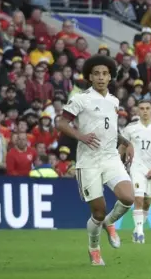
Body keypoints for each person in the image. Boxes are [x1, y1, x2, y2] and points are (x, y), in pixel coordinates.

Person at [57, 55, 136, 266]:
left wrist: (125, 142)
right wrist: (81, 136)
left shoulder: (113, 101)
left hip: (110, 157)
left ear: (110, 77)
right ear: (90, 77)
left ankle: (110, 224)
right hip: (89, 161)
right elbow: (62, 123)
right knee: (98, 212)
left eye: (104, 74)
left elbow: (109, 128)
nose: (101, 77)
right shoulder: (80, 99)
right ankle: (94, 248)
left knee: (128, 197)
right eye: (96, 74)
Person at [120, 99, 151, 244]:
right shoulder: (130, 128)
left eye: (147, 108)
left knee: (147, 201)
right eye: (142, 108)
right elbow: (122, 147)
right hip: (136, 167)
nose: (145, 111)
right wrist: (118, 162)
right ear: (137, 111)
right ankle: (140, 233)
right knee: (139, 198)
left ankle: (137, 227)